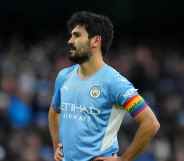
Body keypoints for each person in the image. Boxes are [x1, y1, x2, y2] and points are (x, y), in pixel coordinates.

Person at [48, 11, 160, 161]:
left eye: (77, 35)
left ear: (95, 41)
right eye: (71, 35)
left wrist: (124, 159)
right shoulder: (64, 76)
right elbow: (54, 112)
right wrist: (57, 146)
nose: (70, 41)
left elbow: (151, 123)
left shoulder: (115, 83)